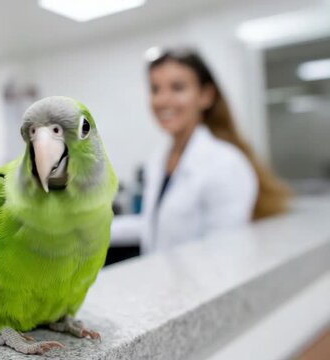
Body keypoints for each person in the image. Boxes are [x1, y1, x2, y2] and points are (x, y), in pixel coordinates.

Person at [114, 48, 290, 255]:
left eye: (177, 88)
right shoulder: (159, 159)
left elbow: (225, 253)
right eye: (155, 89)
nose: (163, 100)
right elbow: (153, 225)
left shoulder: (226, 164)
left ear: (206, 95)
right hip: (163, 282)